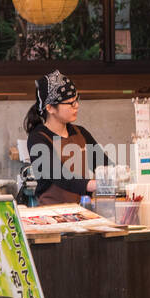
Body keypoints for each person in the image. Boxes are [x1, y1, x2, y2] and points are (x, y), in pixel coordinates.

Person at [23, 70, 100, 206]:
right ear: (50, 108)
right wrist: (92, 185)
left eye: (77, 99)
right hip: (52, 214)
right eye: (70, 103)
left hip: (82, 211)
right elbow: (59, 175)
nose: (76, 106)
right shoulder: (38, 139)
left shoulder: (80, 133)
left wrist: (117, 175)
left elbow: (102, 164)